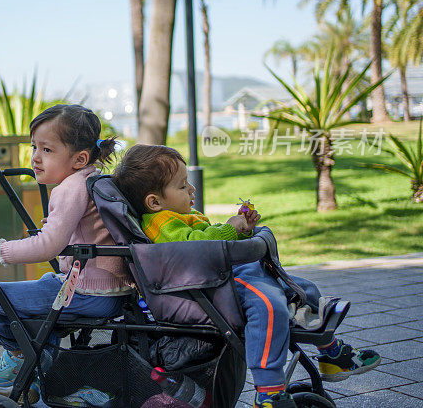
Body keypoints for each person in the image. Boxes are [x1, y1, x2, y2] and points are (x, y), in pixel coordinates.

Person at [112, 145, 381, 408]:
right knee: (268, 304)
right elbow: (195, 246)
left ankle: (331, 352)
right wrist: (230, 231)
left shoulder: (183, 215)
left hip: (223, 275)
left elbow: (207, 236)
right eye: (183, 186)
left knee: (302, 288)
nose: (192, 189)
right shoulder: (160, 224)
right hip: (209, 287)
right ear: (154, 201)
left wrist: (240, 229)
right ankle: (267, 390)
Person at [0, 104, 134, 401]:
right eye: (34, 147)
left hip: (87, 293)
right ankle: (42, 378)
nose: (35, 157)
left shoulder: (69, 188)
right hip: (110, 290)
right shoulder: (94, 178)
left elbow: (48, 246)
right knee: (47, 284)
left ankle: (24, 356)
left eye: (47, 150)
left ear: (79, 158)